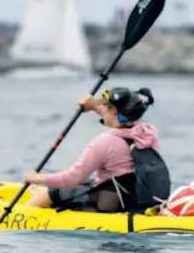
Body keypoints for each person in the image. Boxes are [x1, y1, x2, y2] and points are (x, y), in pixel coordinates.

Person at [23, 86, 171, 213]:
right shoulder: (149, 133)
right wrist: (95, 105)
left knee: (53, 192)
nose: (102, 108)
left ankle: (23, 211)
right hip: (134, 198)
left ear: (113, 110)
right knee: (86, 182)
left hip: (110, 203)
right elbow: (118, 120)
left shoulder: (104, 143)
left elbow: (70, 179)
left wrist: (34, 177)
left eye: (105, 105)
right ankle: (38, 195)